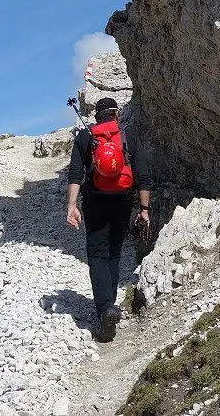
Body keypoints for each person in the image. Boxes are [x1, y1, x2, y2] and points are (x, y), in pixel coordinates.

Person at [65, 97, 152, 341]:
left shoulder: (85, 136)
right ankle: (109, 305)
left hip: (95, 202)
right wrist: (144, 209)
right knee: (114, 253)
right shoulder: (128, 135)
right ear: (117, 115)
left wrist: (72, 206)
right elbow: (143, 175)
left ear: (96, 116)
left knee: (97, 254)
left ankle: (105, 310)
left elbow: (75, 174)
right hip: (123, 201)